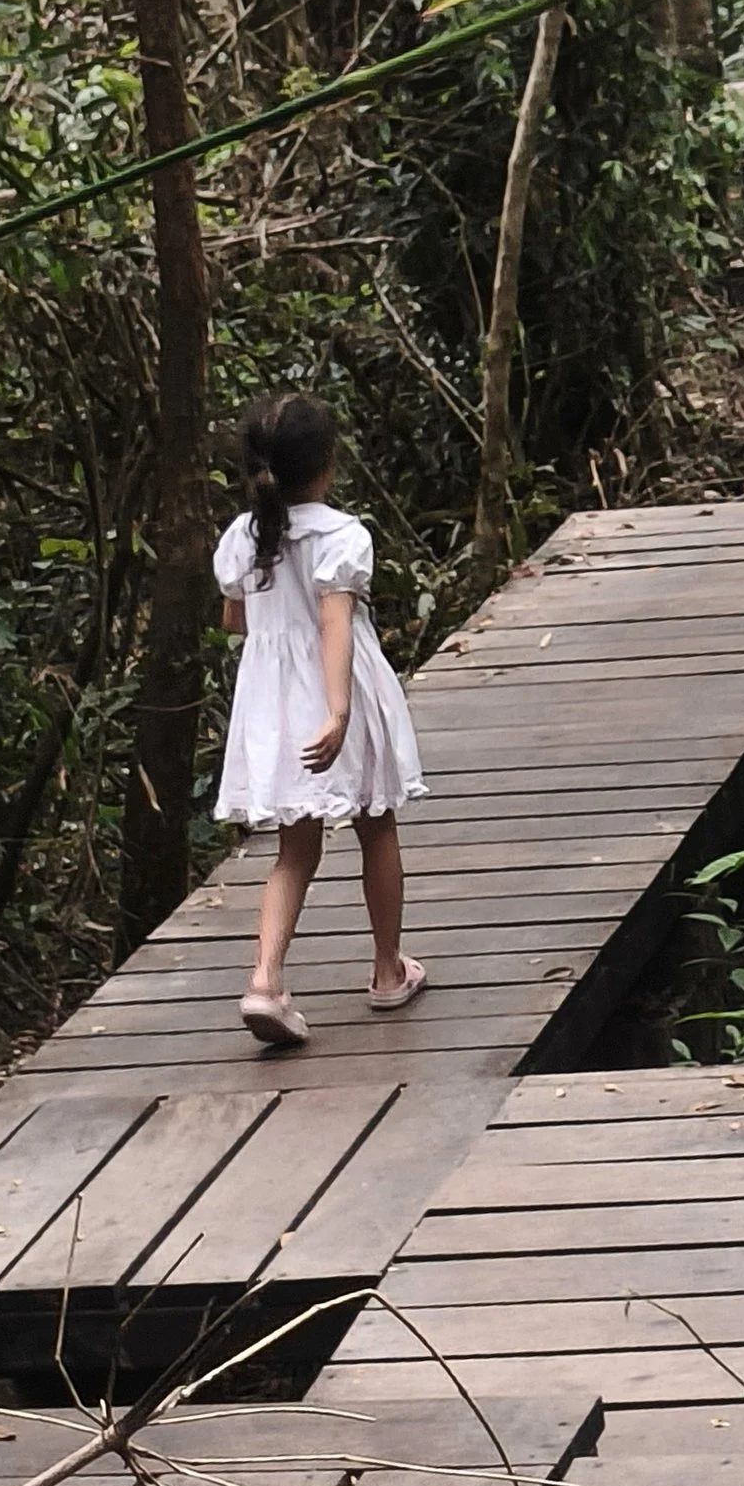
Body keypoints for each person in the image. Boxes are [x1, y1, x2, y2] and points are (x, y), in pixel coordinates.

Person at [213, 392, 427, 1051]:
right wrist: (338, 709)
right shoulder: (342, 535)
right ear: (327, 466)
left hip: (275, 701)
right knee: (376, 822)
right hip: (338, 693)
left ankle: (265, 979)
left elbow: (233, 619)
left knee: (294, 848)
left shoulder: (242, 537)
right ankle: (388, 968)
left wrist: (276, 622)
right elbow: (335, 623)